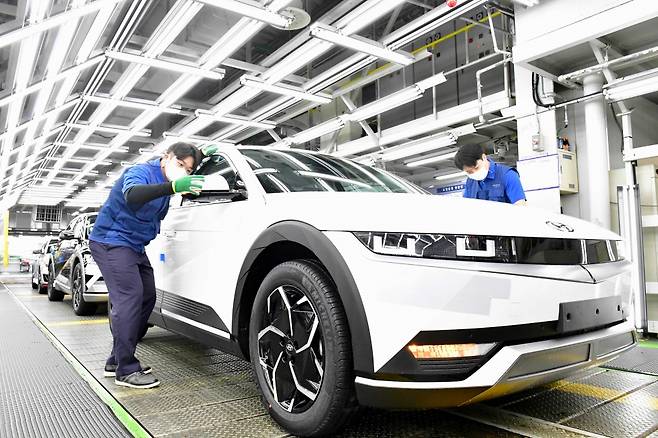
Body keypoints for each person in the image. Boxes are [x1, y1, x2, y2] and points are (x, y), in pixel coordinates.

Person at [89, 142, 217, 389]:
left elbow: (187, 163)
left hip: (134, 246)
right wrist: (173, 187)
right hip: (111, 241)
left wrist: (201, 154)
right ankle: (126, 370)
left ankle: (116, 360)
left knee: (148, 296)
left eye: (188, 170)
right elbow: (133, 194)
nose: (183, 171)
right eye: (179, 164)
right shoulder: (141, 172)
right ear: (166, 157)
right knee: (129, 298)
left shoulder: (170, 176)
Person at [453, 144, 526, 205]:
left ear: (484, 157)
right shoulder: (470, 182)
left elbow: (520, 205)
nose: (475, 173)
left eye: (477, 168)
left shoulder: (507, 175)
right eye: (469, 172)